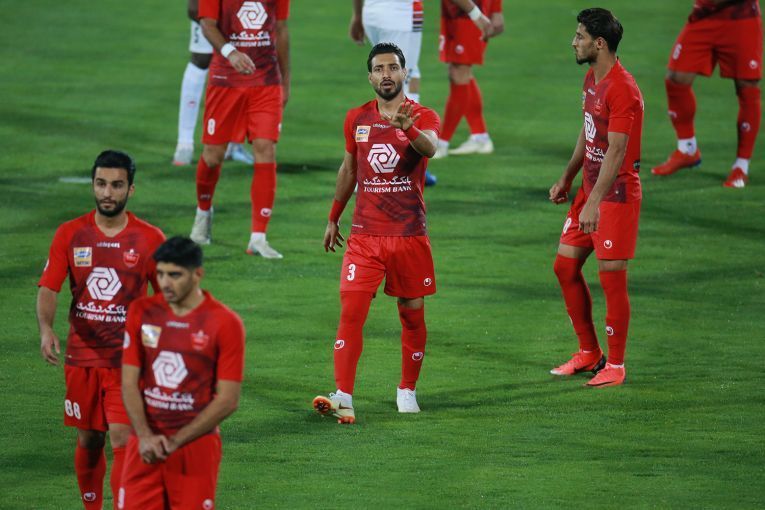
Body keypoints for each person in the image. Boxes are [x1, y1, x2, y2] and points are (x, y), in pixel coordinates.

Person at [313, 43, 440, 424]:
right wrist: (333, 217)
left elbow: (430, 148)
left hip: (408, 235)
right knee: (351, 314)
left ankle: (407, 389)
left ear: (404, 73)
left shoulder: (422, 115)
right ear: (370, 77)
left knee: (411, 316)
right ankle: (343, 398)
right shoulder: (356, 118)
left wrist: (407, 127)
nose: (387, 74)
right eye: (380, 69)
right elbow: (349, 169)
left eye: (393, 68)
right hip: (364, 237)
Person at [36, 150, 166, 509]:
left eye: (117, 185)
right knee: (90, 440)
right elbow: (49, 286)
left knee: (123, 439)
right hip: (82, 359)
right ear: (93, 185)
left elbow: (165, 300)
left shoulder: (150, 238)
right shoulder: (70, 233)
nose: (108, 193)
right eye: (101, 184)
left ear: (130, 189)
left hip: (127, 361)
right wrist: (46, 328)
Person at [548, 8, 643, 388]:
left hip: (615, 197)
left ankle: (616, 365)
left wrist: (594, 203)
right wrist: (567, 177)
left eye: (580, 37)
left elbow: (617, 151)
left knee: (612, 279)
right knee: (564, 267)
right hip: (590, 190)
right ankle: (589, 352)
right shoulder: (592, 78)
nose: (574, 42)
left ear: (599, 43)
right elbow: (588, 132)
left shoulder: (623, 89)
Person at [119, 236, 245, 509]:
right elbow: (128, 382)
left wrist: (176, 442)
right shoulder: (142, 311)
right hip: (145, 444)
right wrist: (144, 435)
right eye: (160, 274)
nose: (165, 283)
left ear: (197, 274)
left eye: (174, 275)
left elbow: (228, 399)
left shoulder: (225, 323)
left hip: (196, 446)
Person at [190, 0, 291, 259]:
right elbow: (207, 24)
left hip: (266, 81)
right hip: (225, 81)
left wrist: (286, 81)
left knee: (265, 148)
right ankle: (203, 212)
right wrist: (230, 52)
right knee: (213, 156)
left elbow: (281, 29)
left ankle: (258, 237)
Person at [651, 0, 762, 188]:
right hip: (704, 16)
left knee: (747, 87)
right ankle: (687, 149)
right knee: (676, 78)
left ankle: (741, 166)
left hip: (741, 19)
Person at [350, 0, 438, 186]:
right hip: (400, 14)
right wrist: (475, 14)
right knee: (400, 81)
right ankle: (390, 165)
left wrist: (358, 14)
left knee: (405, 76)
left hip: (371, 13)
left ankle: (395, 159)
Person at [172, 0, 254, 167]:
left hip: (239, 15)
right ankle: (185, 144)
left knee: (240, 66)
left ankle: (232, 145)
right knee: (202, 60)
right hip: (212, 15)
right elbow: (193, 9)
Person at [433, 0, 504, 158]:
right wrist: (496, 9)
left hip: (470, 13)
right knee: (459, 72)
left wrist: (496, 9)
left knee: (459, 72)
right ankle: (480, 137)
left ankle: (441, 144)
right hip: (457, 10)